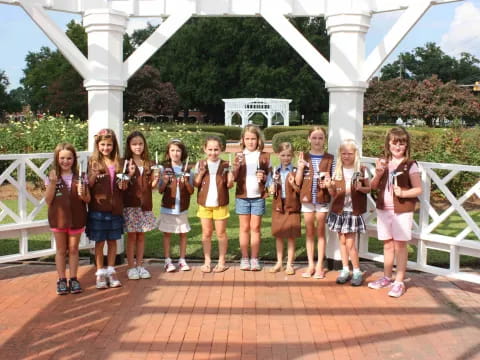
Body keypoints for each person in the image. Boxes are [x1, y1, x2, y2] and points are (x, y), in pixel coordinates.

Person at [368, 127, 422, 297]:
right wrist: (377, 174)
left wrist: (404, 193)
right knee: (387, 244)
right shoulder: (383, 162)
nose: (398, 146)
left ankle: (399, 281)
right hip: (385, 210)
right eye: (395, 143)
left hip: (402, 211)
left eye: (402, 143)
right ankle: (386, 277)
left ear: (406, 145)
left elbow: (418, 189)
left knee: (400, 245)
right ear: (388, 144)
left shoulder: (410, 165)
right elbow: (373, 186)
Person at [86, 128, 133, 289]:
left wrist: (125, 182)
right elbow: (89, 185)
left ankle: (111, 270)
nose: (106, 148)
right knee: (99, 242)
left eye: (109, 145)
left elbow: (123, 187)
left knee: (113, 241)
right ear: (98, 145)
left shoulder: (120, 162)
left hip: (115, 208)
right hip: (98, 208)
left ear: (114, 145)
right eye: (103, 144)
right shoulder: (93, 162)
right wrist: (93, 174)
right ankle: (100, 272)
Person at [45, 143, 90, 295]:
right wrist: (51, 183)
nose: (66, 161)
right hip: (58, 219)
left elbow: (87, 199)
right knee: (61, 249)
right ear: (57, 159)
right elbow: (48, 200)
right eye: (62, 158)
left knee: (73, 249)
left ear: (74, 159)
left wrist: (83, 193)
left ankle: (74, 278)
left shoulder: (81, 176)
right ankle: (61, 279)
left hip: (77, 218)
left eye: (69, 158)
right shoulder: (53, 177)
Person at [326, 139, 370, 286]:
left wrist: (359, 188)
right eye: (344, 153)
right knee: (342, 241)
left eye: (350, 153)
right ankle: (345, 269)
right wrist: (329, 186)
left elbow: (368, 188)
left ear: (355, 154)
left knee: (350, 243)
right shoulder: (337, 170)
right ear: (340, 154)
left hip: (352, 211)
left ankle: (356, 270)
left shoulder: (361, 170)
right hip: (339, 211)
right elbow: (333, 193)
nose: (346, 156)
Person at [295, 126, 335, 279]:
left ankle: (320, 265)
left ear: (324, 140)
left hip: (322, 198)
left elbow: (332, 179)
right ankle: (310, 264)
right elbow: (298, 182)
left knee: (320, 232)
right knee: (310, 232)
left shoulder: (329, 158)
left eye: (320, 138)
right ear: (309, 139)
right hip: (307, 199)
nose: (317, 141)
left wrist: (328, 182)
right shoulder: (303, 157)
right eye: (314, 137)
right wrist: (299, 168)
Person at [194, 135, 234, 273]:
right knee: (206, 233)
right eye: (210, 149)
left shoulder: (225, 165)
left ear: (221, 150)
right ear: (205, 149)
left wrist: (230, 179)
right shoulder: (200, 164)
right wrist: (200, 173)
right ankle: (207, 261)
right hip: (204, 204)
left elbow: (229, 186)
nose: (213, 152)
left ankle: (222, 261)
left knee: (221, 233)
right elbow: (196, 183)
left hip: (220, 204)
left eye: (216, 149)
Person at [232, 124, 270, 271]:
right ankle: (244, 258)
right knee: (244, 228)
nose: (250, 142)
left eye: (253, 139)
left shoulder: (264, 156)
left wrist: (265, 177)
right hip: (242, 196)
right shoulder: (240, 156)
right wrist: (236, 166)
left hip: (258, 196)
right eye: (247, 139)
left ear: (258, 139)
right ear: (243, 140)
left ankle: (254, 258)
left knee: (255, 228)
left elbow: (271, 177)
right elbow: (234, 178)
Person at [123, 131, 159, 280]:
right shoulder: (125, 163)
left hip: (145, 205)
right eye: (134, 144)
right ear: (129, 146)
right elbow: (122, 185)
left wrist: (156, 178)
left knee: (141, 236)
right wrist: (129, 174)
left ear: (144, 145)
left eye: (140, 144)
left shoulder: (149, 163)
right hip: (131, 205)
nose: (138, 147)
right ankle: (131, 266)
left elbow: (153, 187)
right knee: (132, 236)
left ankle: (140, 265)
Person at [157, 139, 194, 272]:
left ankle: (182, 260)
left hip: (182, 207)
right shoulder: (164, 169)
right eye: (172, 150)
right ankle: (167, 260)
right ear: (168, 152)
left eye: (178, 150)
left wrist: (186, 182)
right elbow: (160, 190)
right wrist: (165, 181)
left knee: (183, 233)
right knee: (167, 234)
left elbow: (191, 191)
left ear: (182, 152)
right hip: (168, 207)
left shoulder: (188, 169)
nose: (175, 153)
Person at [268, 142, 301, 275]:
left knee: (291, 236)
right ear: (278, 155)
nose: (286, 158)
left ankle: (289, 264)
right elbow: (270, 190)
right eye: (283, 155)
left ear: (292, 156)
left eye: (288, 155)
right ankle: (279, 262)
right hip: (278, 205)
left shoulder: (296, 171)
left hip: (292, 205)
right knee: (279, 235)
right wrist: (273, 185)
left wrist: (293, 184)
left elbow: (300, 190)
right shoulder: (275, 171)